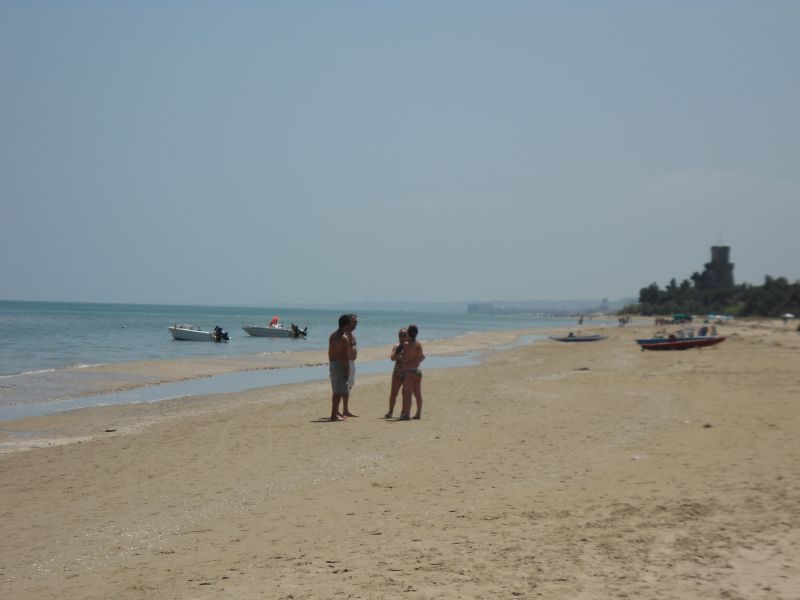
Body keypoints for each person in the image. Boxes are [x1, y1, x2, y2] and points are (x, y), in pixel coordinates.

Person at [327, 314, 352, 421]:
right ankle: (334, 414)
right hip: (339, 365)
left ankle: (336, 412)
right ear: (346, 325)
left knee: (336, 390)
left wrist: (332, 364)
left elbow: (329, 352)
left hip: (332, 364)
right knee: (338, 392)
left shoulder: (332, 335)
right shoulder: (344, 338)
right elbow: (344, 356)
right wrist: (347, 369)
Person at [400, 324, 425, 420]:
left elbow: (405, 358)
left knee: (408, 394)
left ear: (408, 333)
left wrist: (406, 363)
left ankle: (407, 414)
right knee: (418, 394)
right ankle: (418, 414)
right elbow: (422, 357)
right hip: (417, 371)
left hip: (409, 372)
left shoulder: (406, 344)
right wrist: (415, 361)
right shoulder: (419, 344)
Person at [385, 328, 407, 418]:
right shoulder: (396, 346)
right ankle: (390, 411)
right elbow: (392, 358)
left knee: (405, 393)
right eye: (400, 335)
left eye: (404, 335)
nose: (402, 337)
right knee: (394, 393)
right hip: (397, 372)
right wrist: (399, 351)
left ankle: (403, 411)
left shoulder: (411, 346)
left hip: (407, 373)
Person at [341, 313, 358, 417]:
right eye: (354, 322)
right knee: (343, 387)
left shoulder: (352, 334)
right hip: (346, 363)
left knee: (349, 386)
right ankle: (344, 410)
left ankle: (345, 409)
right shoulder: (344, 334)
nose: (356, 324)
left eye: (356, 322)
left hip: (352, 363)